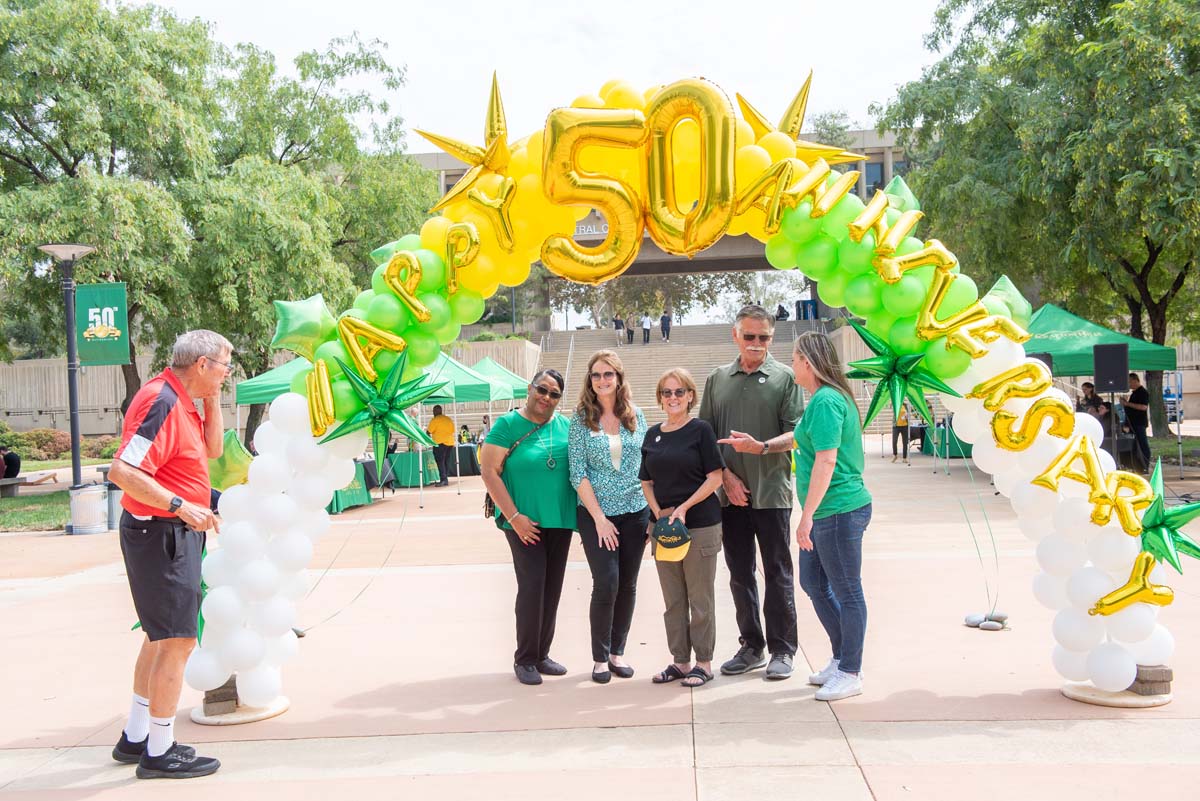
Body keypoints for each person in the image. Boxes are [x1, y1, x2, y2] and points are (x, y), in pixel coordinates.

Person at [106, 330, 231, 779]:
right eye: (224, 366)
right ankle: (160, 749)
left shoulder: (185, 401)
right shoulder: (160, 401)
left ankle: (137, 735)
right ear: (201, 364)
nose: (227, 375)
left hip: (170, 531)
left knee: (160, 636)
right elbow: (122, 470)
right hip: (161, 531)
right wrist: (181, 506)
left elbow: (213, 451)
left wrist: (212, 401)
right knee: (178, 640)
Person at [703, 305, 804, 680]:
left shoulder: (786, 378)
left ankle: (782, 649)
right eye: (750, 337)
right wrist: (727, 476)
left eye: (764, 337)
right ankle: (752, 645)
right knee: (739, 572)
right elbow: (705, 438)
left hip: (772, 494)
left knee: (777, 572)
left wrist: (760, 447)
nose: (757, 344)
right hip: (731, 496)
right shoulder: (717, 379)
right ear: (735, 336)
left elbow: (797, 434)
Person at [480, 369, 577, 685]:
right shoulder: (508, 424)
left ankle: (541, 654)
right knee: (533, 585)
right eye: (542, 390)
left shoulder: (565, 426)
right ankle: (524, 659)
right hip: (522, 521)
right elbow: (489, 472)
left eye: (554, 394)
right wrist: (514, 517)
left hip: (559, 520)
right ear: (530, 388)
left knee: (552, 588)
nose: (546, 398)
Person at [792, 330, 872, 701]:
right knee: (813, 583)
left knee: (847, 590)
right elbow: (803, 442)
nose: (792, 365)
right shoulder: (822, 400)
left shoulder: (825, 400)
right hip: (828, 511)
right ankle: (842, 658)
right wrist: (759, 446)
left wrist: (806, 516)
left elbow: (827, 459)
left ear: (807, 362)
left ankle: (851, 671)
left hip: (837, 510)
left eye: (794, 359)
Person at [640, 368, 725, 688]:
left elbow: (715, 477)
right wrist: (658, 511)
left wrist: (684, 508)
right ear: (660, 398)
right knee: (673, 599)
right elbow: (646, 481)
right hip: (665, 528)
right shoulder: (652, 435)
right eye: (667, 392)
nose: (672, 398)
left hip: (700, 525)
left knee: (700, 599)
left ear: (691, 396)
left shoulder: (701, 430)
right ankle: (680, 661)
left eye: (679, 392)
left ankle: (703, 663)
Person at [568, 351, 649, 683]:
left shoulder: (636, 415)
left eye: (608, 374)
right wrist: (600, 518)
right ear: (590, 380)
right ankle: (600, 658)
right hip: (596, 515)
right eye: (596, 375)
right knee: (606, 583)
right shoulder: (580, 419)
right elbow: (577, 474)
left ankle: (618, 653)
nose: (602, 380)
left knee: (628, 585)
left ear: (619, 377)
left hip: (635, 512)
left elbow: (648, 464)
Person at [1124, 373, 1151, 471]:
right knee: (1135, 445)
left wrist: (1128, 404)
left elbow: (1143, 407)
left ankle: (1145, 465)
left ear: (1135, 380)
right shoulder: (1134, 393)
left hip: (1139, 423)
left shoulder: (1142, 392)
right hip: (1133, 423)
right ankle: (1137, 465)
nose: (1129, 384)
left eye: (1129, 382)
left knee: (1142, 444)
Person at [427, 404, 455, 487]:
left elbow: (428, 432)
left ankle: (443, 479)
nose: (433, 413)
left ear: (435, 411)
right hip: (449, 443)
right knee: (446, 461)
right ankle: (445, 478)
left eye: (433, 411)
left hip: (439, 443)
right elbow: (452, 430)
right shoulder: (448, 419)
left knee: (440, 462)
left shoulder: (435, 420)